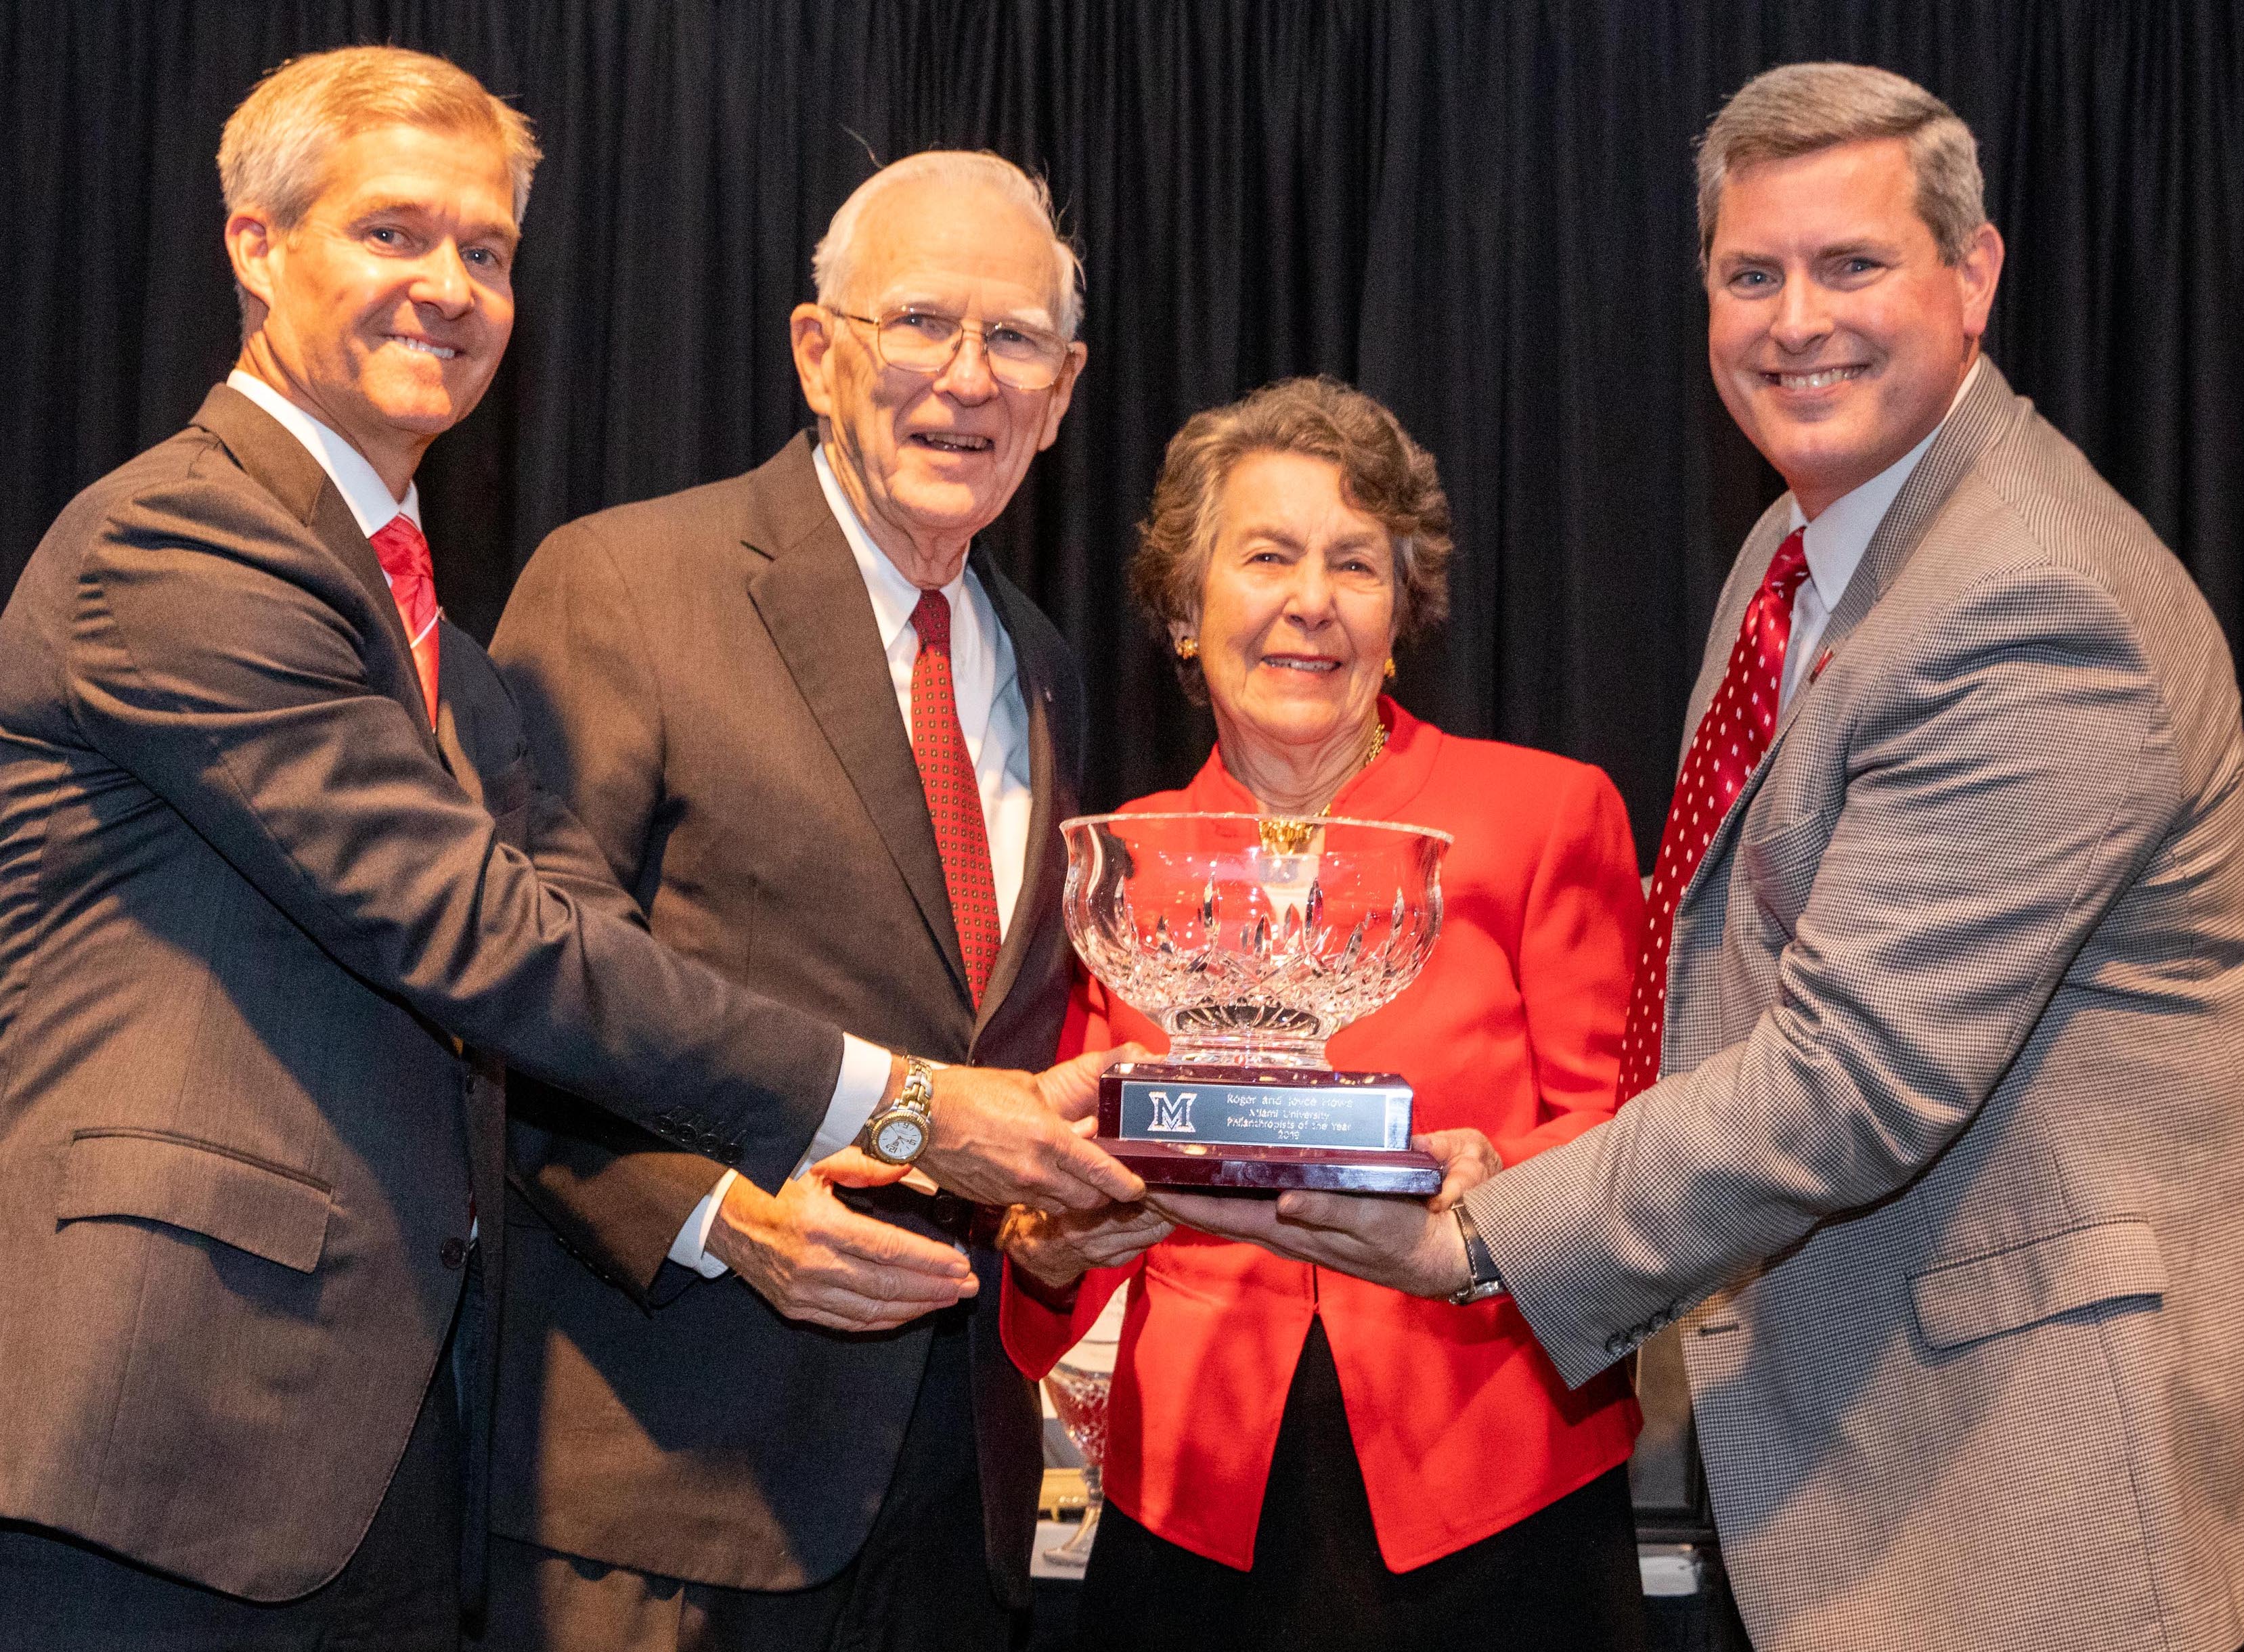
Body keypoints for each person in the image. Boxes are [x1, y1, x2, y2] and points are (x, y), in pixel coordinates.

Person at [0, 55, 1132, 1651]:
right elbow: (505, 948)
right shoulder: (175, 543)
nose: (447, 288)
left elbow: (547, 964)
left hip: (395, 1450)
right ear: (255, 245)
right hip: (168, 1426)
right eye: (394, 233)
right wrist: (906, 1111)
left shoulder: (440, 651)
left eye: (485, 252)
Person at [1166, 64, 2244, 1652]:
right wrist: (1525, 1169)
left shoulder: (2028, 605)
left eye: (1849, 265)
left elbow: (1847, 1076)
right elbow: (1729, 1000)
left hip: (2014, 1479)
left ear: (1975, 275)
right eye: (1751, 275)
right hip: (1841, 1454)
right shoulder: (1798, 547)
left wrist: (1479, 1236)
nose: (1793, 319)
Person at [479, 152, 1105, 1651]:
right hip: (663, 1491)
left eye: (1013, 339)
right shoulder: (625, 583)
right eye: (919, 324)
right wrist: (713, 1217)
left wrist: (1055, 1204)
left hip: (956, 1512)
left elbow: (975, 1059)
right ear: (817, 352)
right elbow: (513, 991)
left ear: (1063, 389)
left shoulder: (1045, 667)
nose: (967, 378)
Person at [1000, 378, 1649, 1652]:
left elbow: (1632, 1142)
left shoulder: (1542, 816)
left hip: (1493, 1497)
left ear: (1400, 612)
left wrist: (1487, 1185)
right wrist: (1058, 1241)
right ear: (1185, 612)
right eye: (1267, 556)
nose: (1312, 601)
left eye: (1356, 563)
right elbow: (1048, 1189)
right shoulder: (1115, 863)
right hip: (1193, 1509)